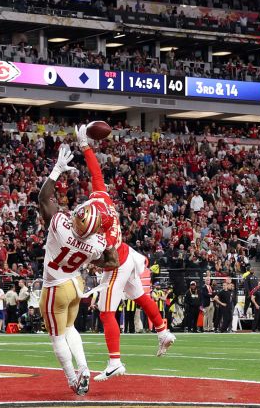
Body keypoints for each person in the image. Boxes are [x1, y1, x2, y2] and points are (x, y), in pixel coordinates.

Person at [73, 125, 176, 377]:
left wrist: (89, 259)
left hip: (117, 262)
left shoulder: (99, 231)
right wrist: (85, 146)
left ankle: (115, 362)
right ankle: (163, 331)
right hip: (127, 253)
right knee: (140, 295)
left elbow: (104, 259)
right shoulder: (103, 199)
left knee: (106, 310)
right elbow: (96, 173)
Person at [38, 143, 116, 395]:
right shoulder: (96, 243)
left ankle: (73, 377)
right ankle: (83, 367)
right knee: (71, 328)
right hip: (76, 285)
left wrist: (57, 170)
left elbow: (43, 198)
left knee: (57, 336)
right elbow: (111, 261)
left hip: (54, 287)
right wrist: (109, 231)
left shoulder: (61, 224)